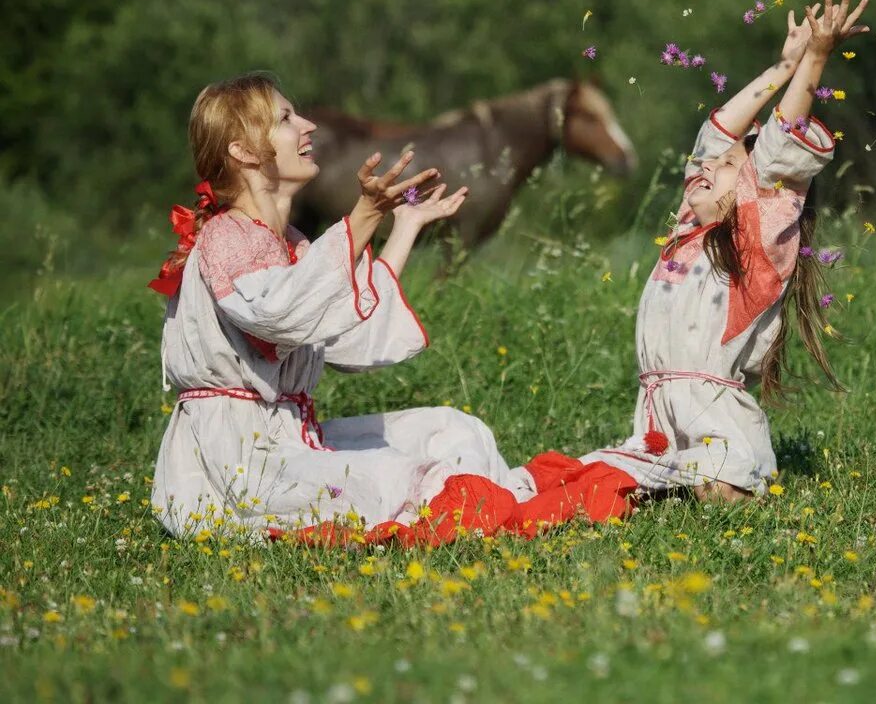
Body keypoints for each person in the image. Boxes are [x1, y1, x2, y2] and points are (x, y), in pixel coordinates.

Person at [149, 73, 635, 546]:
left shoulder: (291, 245)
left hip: (288, 436)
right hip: (236, 462)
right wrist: (361, 217)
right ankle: (490, 513)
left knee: (452, 428)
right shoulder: (225, 239)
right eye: (285, 118)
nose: (308, 126)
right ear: (243, 151)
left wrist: (403, 226)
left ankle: (495, 503)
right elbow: (282, 313)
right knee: (394, 478)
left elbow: (349, 340)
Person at [578, 0, 870, 502]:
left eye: (728, 166)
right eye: (711, 165)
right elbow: (711, 140)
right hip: (657, 418)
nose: (708, 166)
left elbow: (780, 143)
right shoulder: (694, 228)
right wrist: (783, 65)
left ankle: (684, 489)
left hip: (715, 418)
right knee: (590, 477)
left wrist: (816, 58)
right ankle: (659, 484)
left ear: (758, 190)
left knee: (720, 480)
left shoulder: (754, 240)